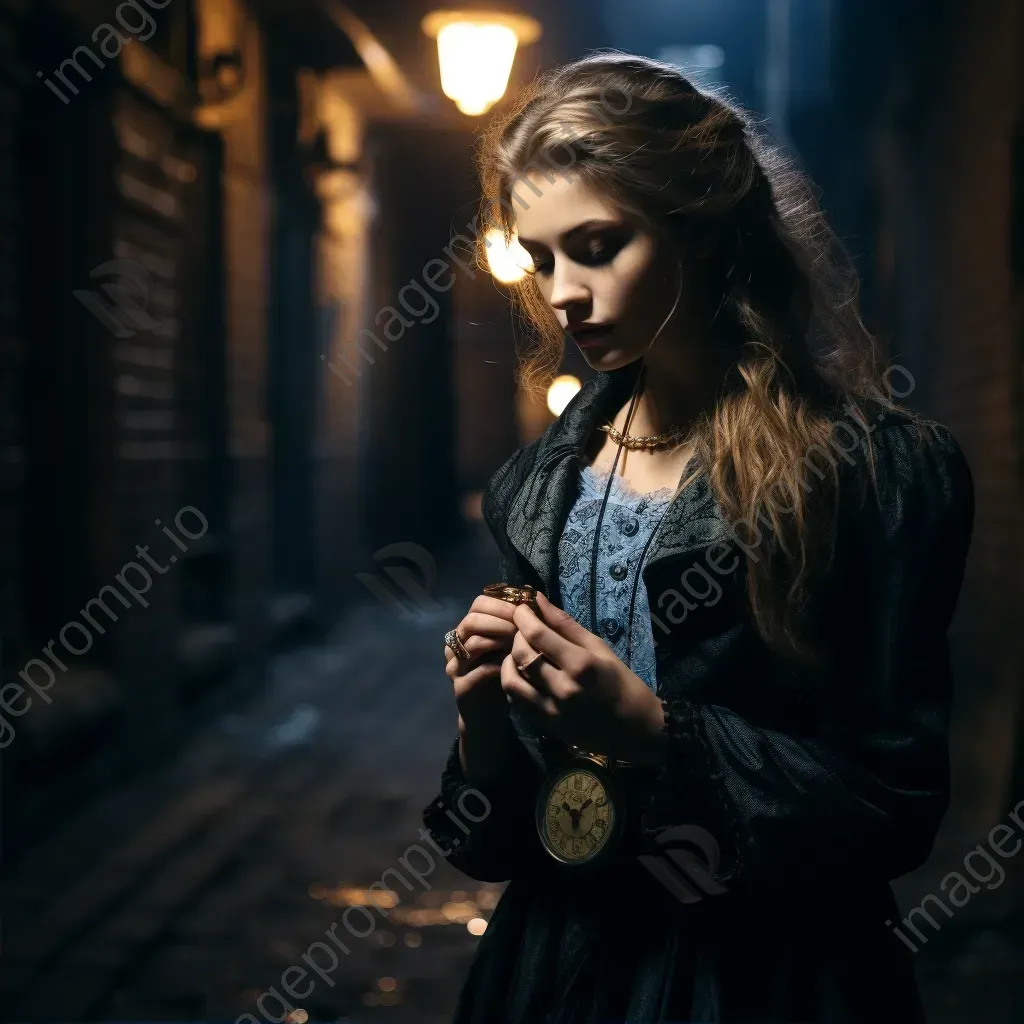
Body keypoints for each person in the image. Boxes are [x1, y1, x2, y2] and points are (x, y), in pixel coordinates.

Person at [423, 52, 975, 1024]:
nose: (559, 291)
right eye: (540, 254)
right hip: (555, 974)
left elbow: (891, 804)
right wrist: (481, 728)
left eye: (595, 245)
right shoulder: (536, 488)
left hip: (769, 977)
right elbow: (500, 841)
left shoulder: (872, 473)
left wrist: (651, 730)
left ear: (701, 228)